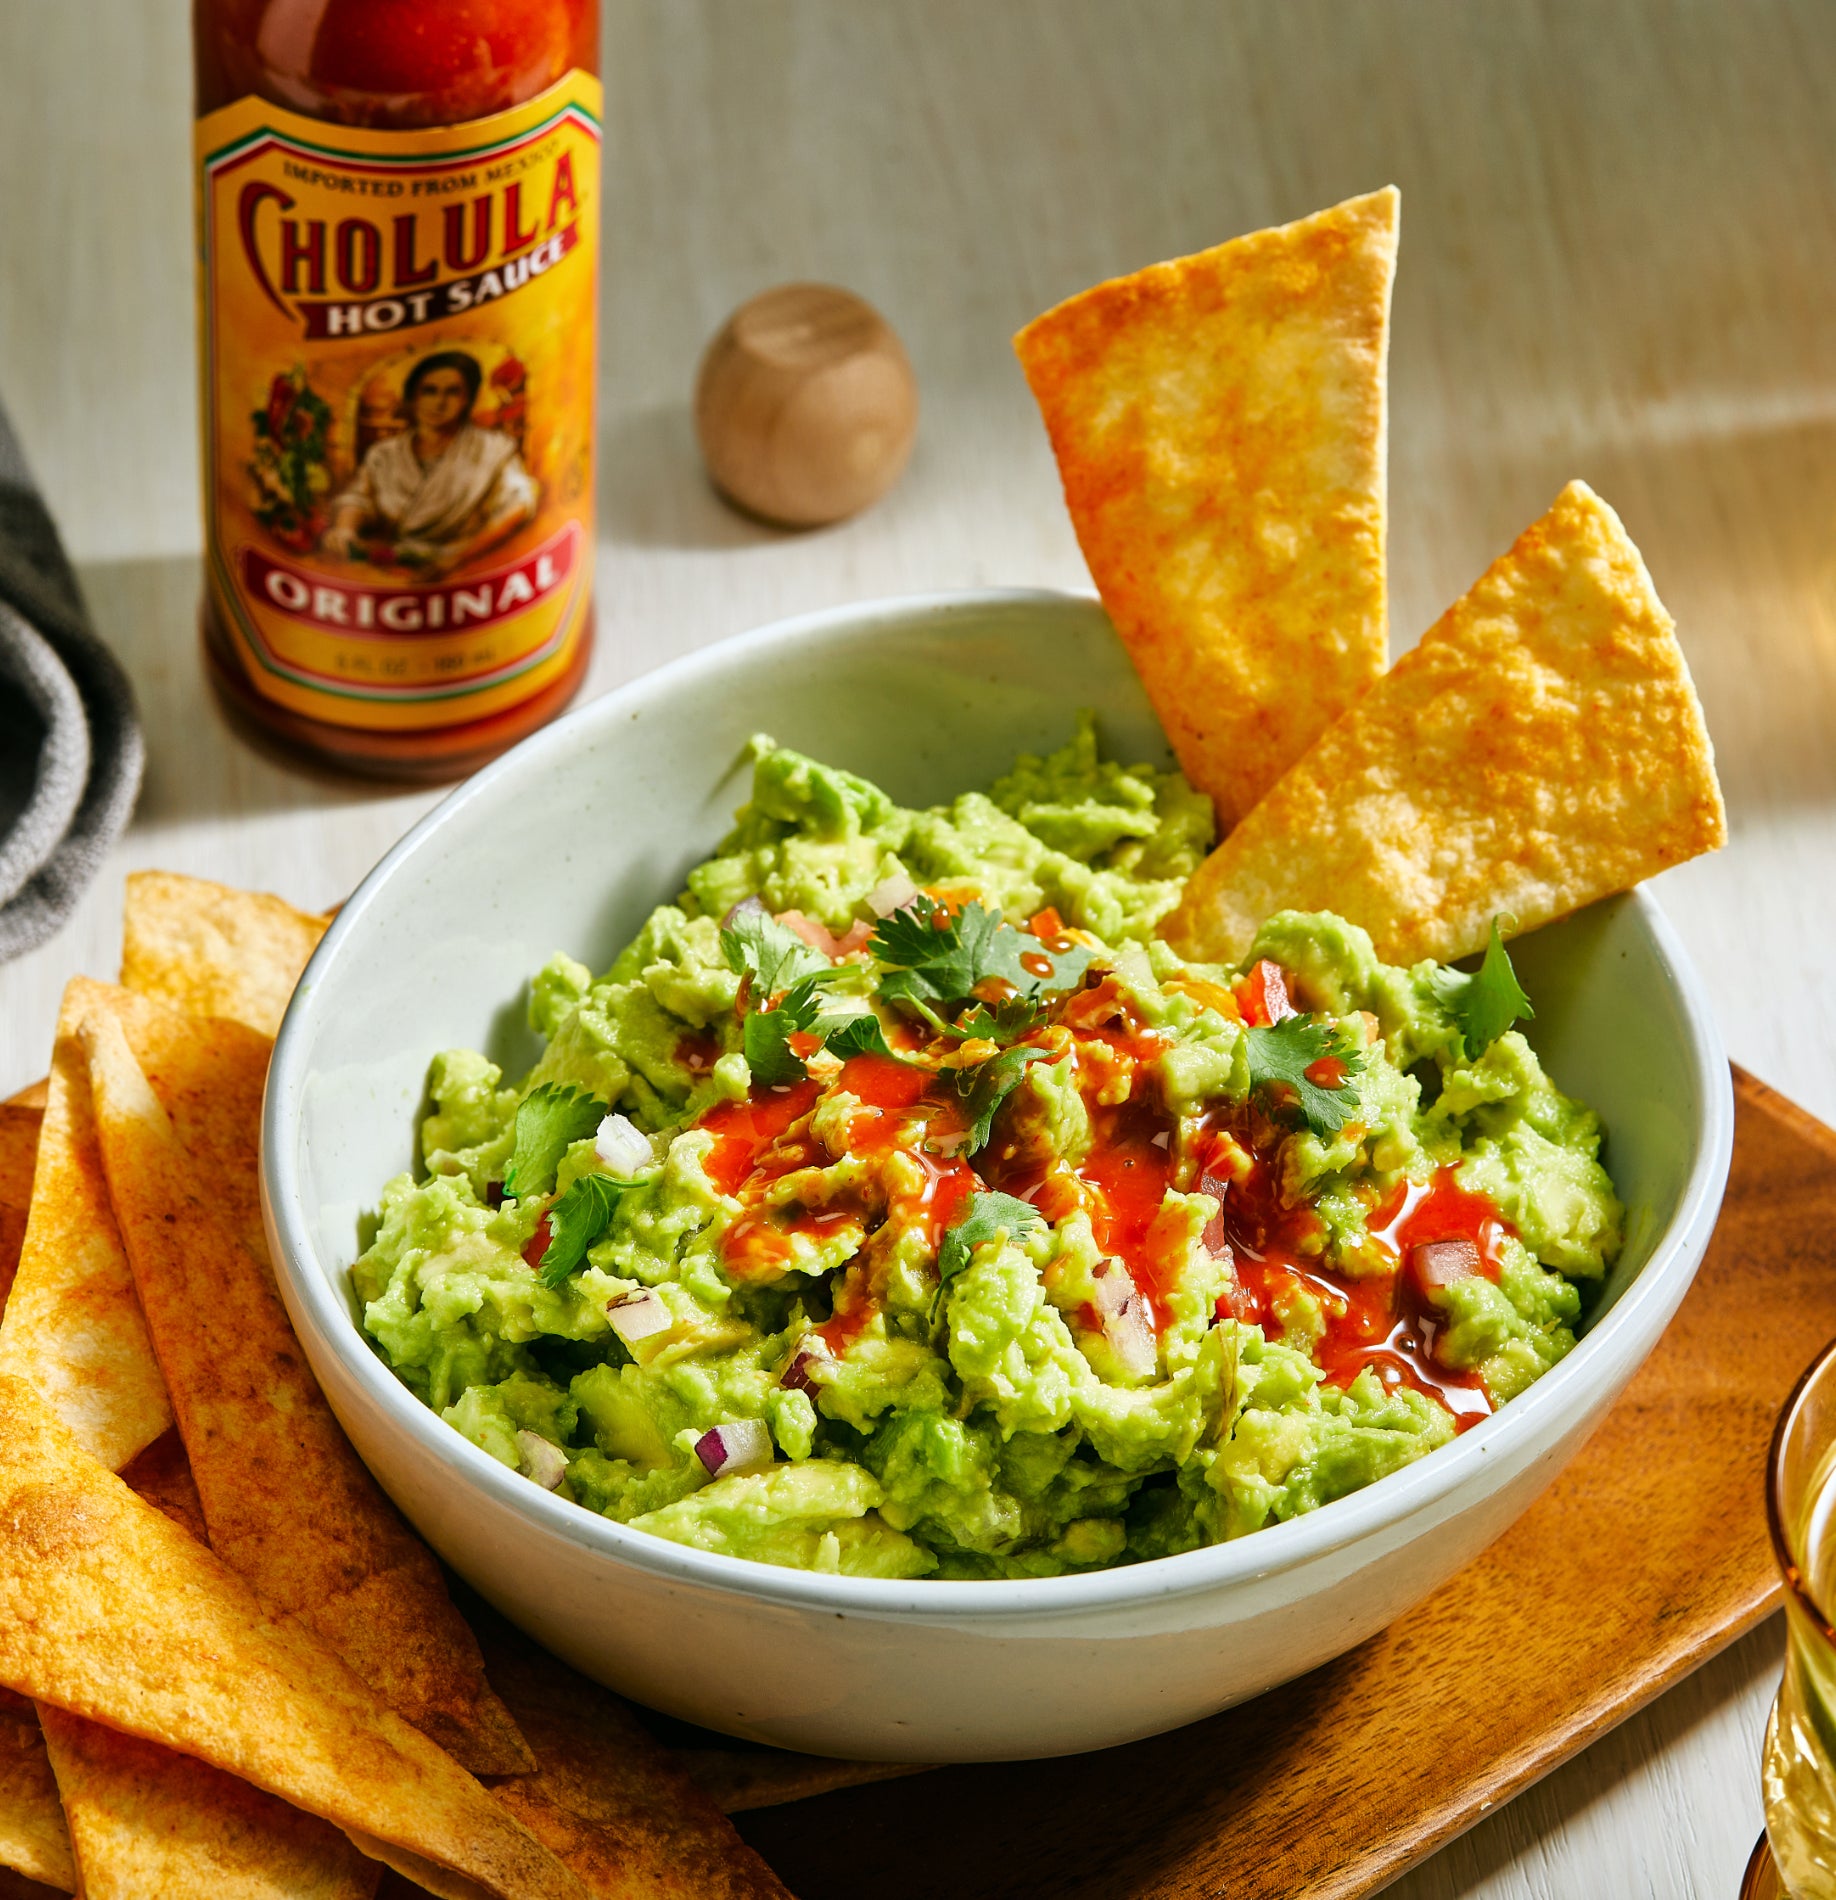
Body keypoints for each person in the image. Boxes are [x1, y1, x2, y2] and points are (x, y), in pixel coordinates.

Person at [320, 351, 537, 576]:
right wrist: (345, 530)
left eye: (452, 392)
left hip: (466, 568)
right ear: (413, 397)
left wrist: (458, 556)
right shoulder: (384, 454)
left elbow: (519, 503)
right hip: (389, 569)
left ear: (466, 400)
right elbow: (359, 498)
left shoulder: (493, 449)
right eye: (429, 391)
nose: (440, 403)